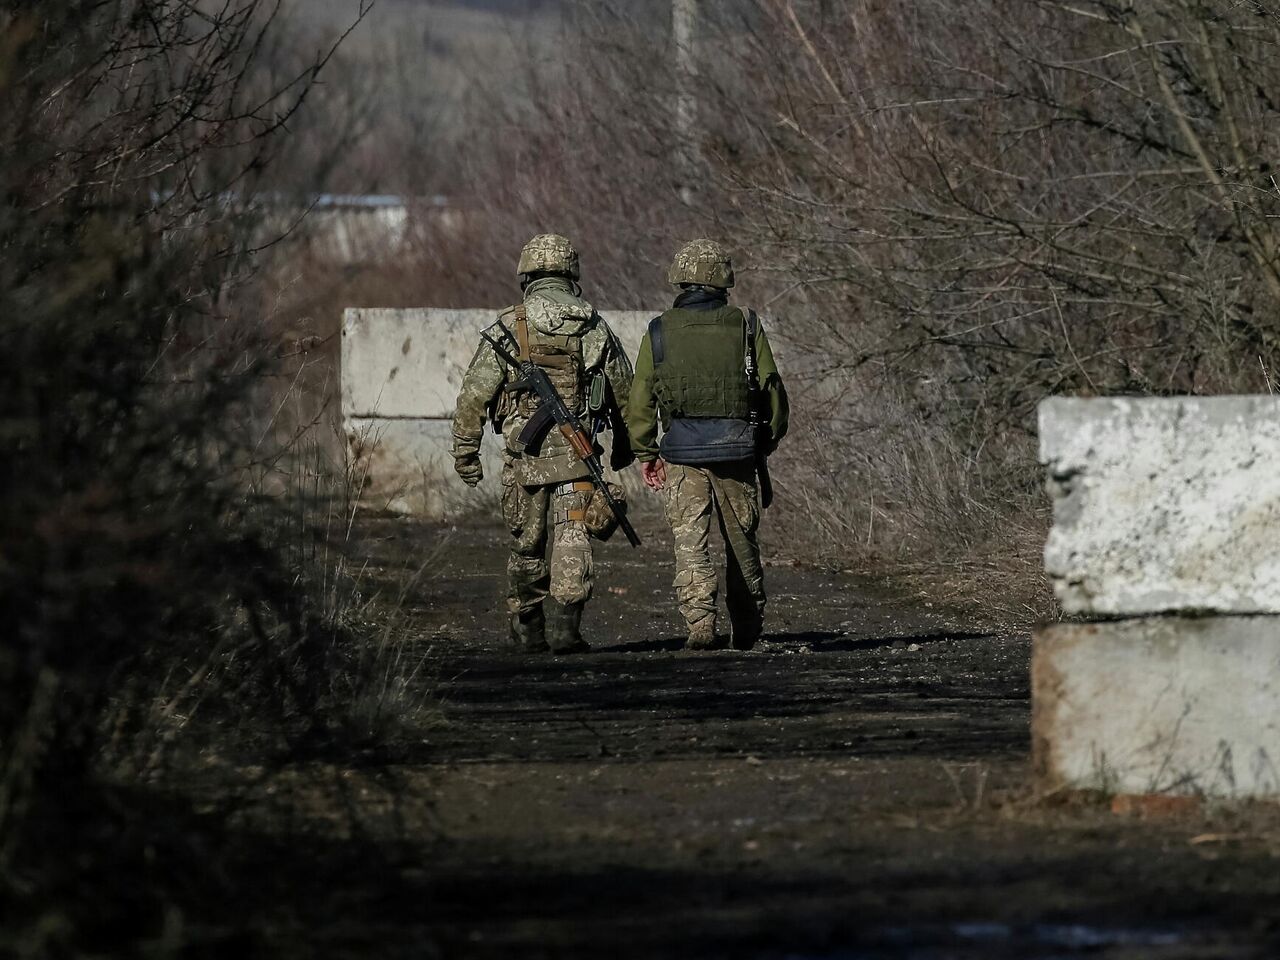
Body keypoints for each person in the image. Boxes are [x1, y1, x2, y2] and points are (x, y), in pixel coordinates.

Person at [451, 234, 634, 653]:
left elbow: (473, 396)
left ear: (527, 274)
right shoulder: (592, 325)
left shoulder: (508, 326)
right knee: (574, 536)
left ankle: (528, 633)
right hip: (578, 455)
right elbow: (626, 392)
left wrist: (466, 453)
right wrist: (632, 447)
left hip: (524, 460)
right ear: (572, 274)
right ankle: (566, 631)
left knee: (526, 545)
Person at [627, 239, 789, 650]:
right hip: (737, 450)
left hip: (681, 452)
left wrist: (646, 453)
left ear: (680, 278)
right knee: (741, 540)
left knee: (689, 539)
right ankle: (747, 628)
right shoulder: (747, 324)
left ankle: (700, 624)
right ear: (724, 279)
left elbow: (641, 397)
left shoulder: (659, 329)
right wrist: (764, 441)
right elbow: (772, 391)